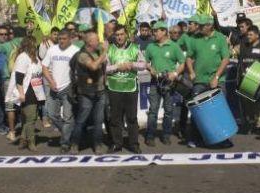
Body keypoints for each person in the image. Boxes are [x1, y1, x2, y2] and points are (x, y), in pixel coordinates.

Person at [187, 15, 231, 147]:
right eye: (198, 25)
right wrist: (191, 71)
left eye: (201, 26)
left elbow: (225, 59)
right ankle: (195, 138)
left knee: (219, 110)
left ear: (210, 26)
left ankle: (222, 138)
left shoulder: (220, 38)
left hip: (217, 80)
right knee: (197, 111)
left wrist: (216, 77)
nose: (198, 28)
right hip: (199, 81)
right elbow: (189, 57)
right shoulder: (195, 39)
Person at [105, 24, 146, 153]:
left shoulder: (134, 48)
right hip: (114, 88)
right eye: (117, 35)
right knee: (115, 118)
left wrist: (131, 64)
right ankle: (117, 143)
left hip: (130, 88)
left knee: (132, 118)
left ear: (126, 35)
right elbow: (105, 69)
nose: (119, 37)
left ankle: (133, 144)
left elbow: (143, 65)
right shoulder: (109, 49)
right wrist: (117, 67)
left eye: (122, 34)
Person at [145, 21, 185, 147]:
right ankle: (150, 135)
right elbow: (145, 62)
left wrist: (175, 74)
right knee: (153, 111)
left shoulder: (174, 46)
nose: (154, 33)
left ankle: (166, 135)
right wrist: (150, 69)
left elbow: (183, 63)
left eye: (156, 31)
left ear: (163, 31)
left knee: (168, 111)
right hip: (154, 82)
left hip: (169, 83)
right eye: (154, 31)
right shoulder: (151, 47)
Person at [41, 29, 79, 153]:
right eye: (59, 39)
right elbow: (44, 67)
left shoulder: (75, 51)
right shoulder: (52, 50)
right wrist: (51, 81)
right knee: (51, 114)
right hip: (54, 88)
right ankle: (68, 132)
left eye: (64, 39)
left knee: (68, 117)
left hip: (68, 88)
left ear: (69, 39)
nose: (61, 41)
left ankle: (65, 143)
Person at [71, 32, 109, 154]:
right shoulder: (82, 55)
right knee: (82, 119)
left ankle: (97, 145)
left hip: (100, 91)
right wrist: (104, 52)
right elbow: (93, 66)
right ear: (90, 42)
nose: (99, 42)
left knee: (99, 120)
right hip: (86, 92)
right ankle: (74, 144)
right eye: (97, 40)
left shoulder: (97, 52)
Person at [6, 37, 45, 151]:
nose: (36, 46)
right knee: (31, 118)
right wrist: (21, 93)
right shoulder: (23, 57)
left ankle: (23, 140)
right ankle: (31, 142)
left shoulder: (34, 57)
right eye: (35, 44)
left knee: (26, 118)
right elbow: (19, 77)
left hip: (35, 90)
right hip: (27, 91)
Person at [237, 25, 260, 134]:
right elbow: (233, 52)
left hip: (257, 78)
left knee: (258, 103)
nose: (248, 37)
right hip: (245, 79)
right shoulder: (243, 45)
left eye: (251, 35)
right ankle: (250, 124)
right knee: (247, 104)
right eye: (247, 34)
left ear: (257, 35)